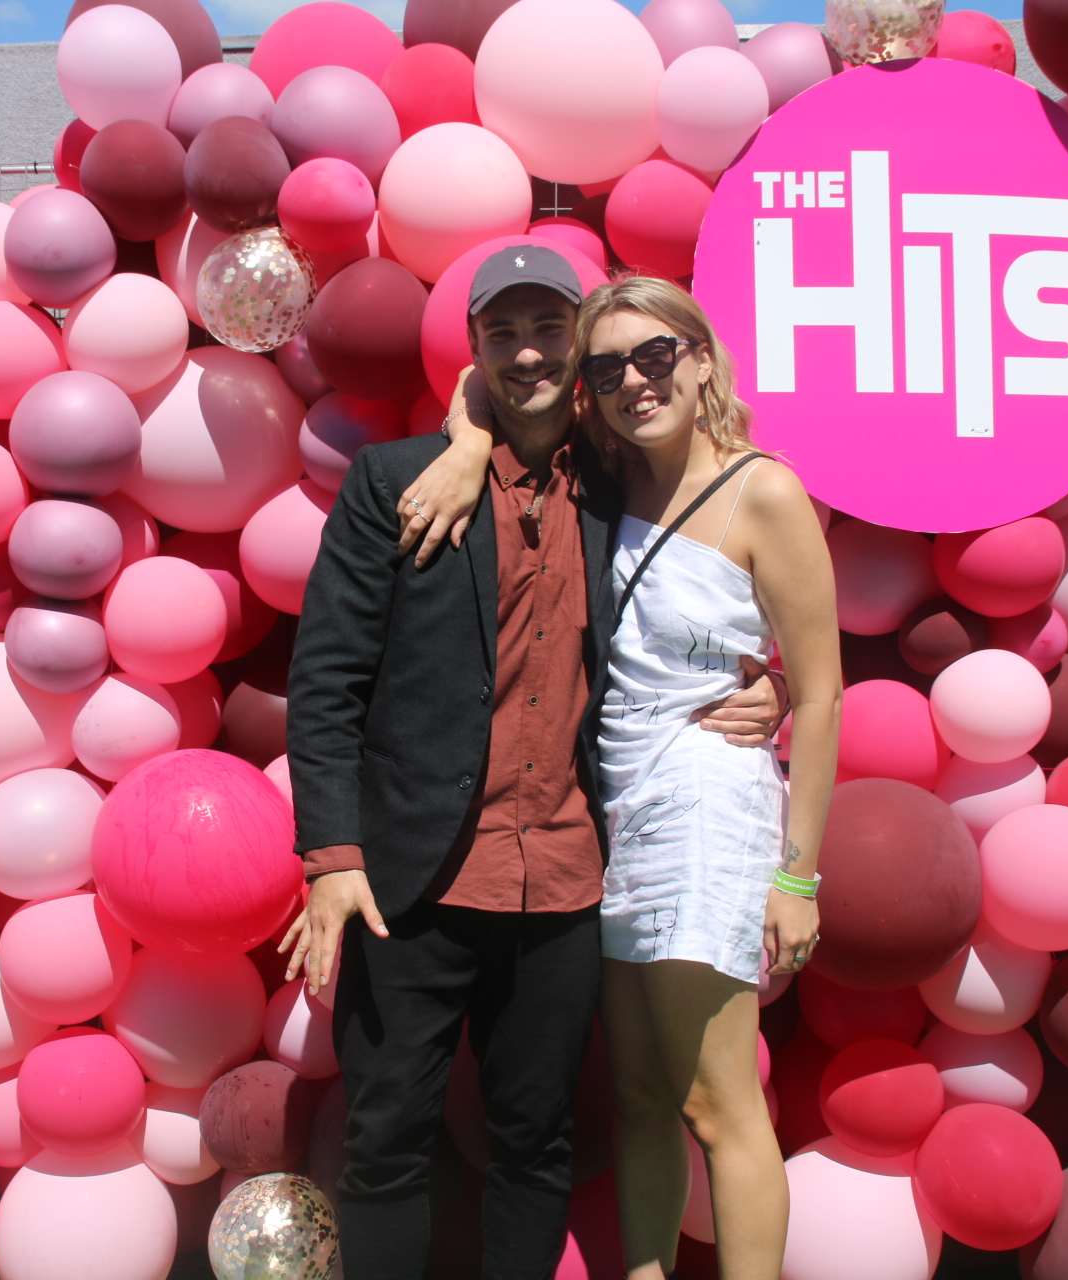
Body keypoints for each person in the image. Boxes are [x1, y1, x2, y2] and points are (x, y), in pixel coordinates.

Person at [282, 245, 786, 1280]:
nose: (527, 353)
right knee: (385, 1146)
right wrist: (333, 855)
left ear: (577, 344)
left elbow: (695, 614)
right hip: (411, 883)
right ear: (474, 350)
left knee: (536, 1145)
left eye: (549, 328)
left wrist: (765, 685)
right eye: (502, 332)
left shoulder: (621, 486)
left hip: (563, 886)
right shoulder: (396, 483)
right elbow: (326, 680)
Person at [401, 275, 842, 1280]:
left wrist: (798, 875)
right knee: (640, 1097)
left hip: (706, 804)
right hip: (616, 808)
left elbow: (821, 695)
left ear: (700, 358)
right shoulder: (604, 474)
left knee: (717, 1103)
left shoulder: (764, 491)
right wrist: (466, 447)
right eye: (608, 368)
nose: (635, 381)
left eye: (655, 355)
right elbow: (484, 383)